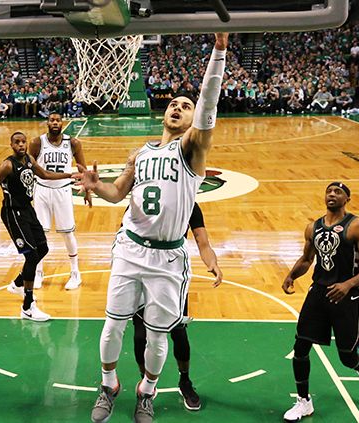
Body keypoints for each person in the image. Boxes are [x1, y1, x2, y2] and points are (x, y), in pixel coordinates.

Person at [77, 32, 230, 423]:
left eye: (186, 106)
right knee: (113, 326)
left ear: (195, 120)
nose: (179, 108)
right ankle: (109, 384)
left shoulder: (192, 149)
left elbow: (209, 102)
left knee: (159, 335)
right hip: (130, 248)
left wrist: (219, 52)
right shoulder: (140, 152)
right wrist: (98, 187)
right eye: (175, 104)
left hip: (167, 257)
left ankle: (147, 391)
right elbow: (117, 194)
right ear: (165, 114)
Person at [281, 182, 359, 422]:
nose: (332, 195)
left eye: (338, 192)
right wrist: (292, 275)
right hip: (319, 294)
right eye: (329, 191)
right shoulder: (313, 227)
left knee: (346, 356)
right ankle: (303, 402)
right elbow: (307, 259)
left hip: (348, 298)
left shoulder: (356, 227)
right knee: (301, 347)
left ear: (347, 199)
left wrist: (348, 284)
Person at [0, 132, 75, 321]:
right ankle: (28, 306)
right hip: (13, 213)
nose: (21, 145)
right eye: (17, 142)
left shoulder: (29, 159)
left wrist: (70, 174)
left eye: (23, 141)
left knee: (43, 248)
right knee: (32, 255)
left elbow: (45, 174)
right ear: (11, 145)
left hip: (27, 210)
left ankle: (19, 283)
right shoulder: (7, 165)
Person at [131, 202, 222, 412]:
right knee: (140, 336)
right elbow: (124, 237)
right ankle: (145, 386)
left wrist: (212, 263)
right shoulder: (141, 199)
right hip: (141, 273)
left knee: (178, 333)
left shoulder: (188, 203)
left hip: (172, 275)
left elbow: (203, 242)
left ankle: (185, 381)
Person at [28, 112, 91, 290]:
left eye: (58, 120)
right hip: (42, 190)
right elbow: (29, 166)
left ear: (62, 123)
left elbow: (82, 168)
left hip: (63, 191)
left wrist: (87, 189)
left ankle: (75, 273)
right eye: (52, 120)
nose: (55, 122)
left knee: (67, 233)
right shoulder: (36, 142)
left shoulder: (73, 143)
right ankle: (38, 271)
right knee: (40, 234)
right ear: (47, 123)